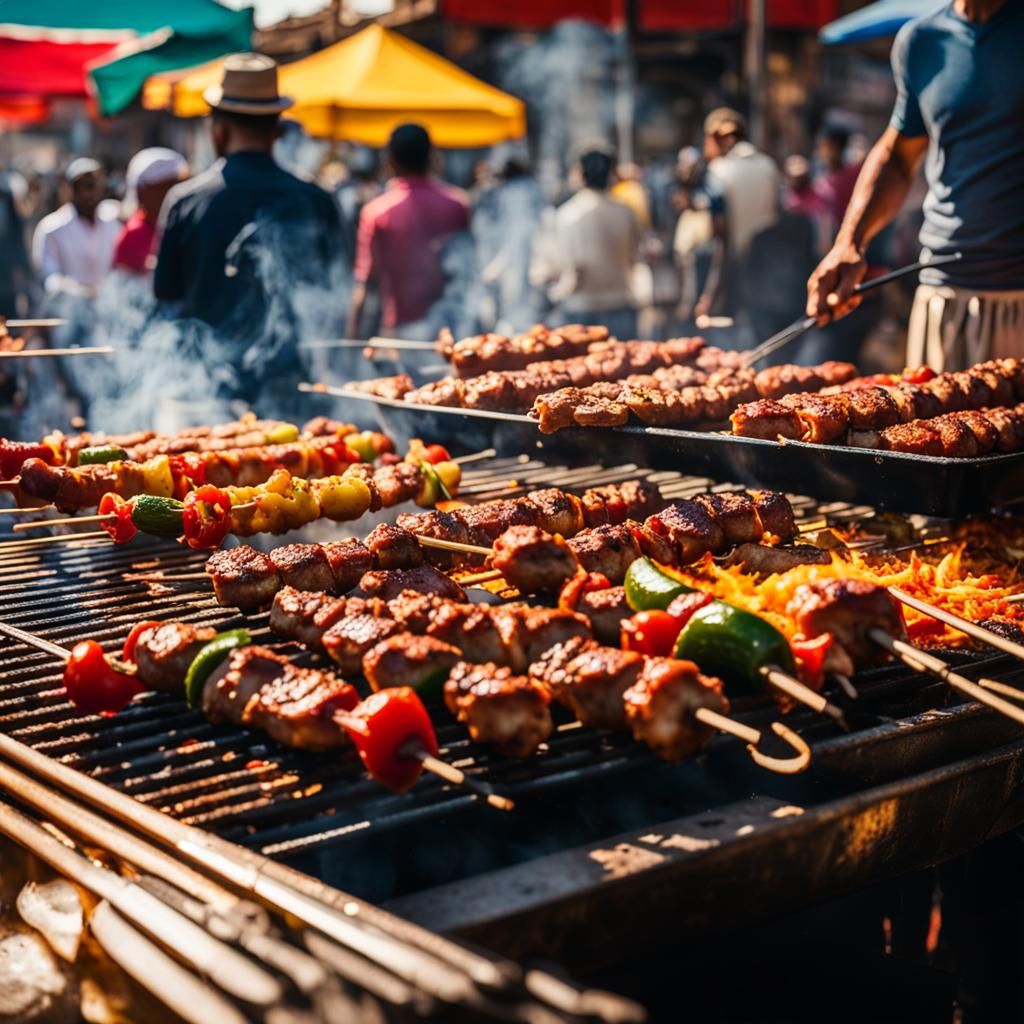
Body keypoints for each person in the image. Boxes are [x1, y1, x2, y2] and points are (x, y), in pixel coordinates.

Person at [806, 0, 1024, 370]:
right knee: (934, 426)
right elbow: (898, 158)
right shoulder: (922, 41)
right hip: (945, 291)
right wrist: (849, 244)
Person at [154, 53, 344, 414]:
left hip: (210, 395)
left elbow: (167, 299)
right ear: (276, 129)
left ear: (218, 130)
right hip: (291, 390)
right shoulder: (316, 200)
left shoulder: (185, 202)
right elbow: (334, 296)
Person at [346, 124, 469, 341]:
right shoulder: (456, 204)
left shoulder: (377, 212)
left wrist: (352, 336)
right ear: (432, 158)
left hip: (401, 333)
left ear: (390, 162)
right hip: (451, 329)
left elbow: (366, 282)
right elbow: (467, 273)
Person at [546, 146, 640, 340]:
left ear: (581, 173)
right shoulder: (625, 212)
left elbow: (565, 267)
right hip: (621, 304)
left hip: (580, 308)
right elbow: (634, 256)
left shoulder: (566, 215)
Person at [697, 108, 780, 325]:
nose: (707, 150)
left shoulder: (719, 171)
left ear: (724, 138)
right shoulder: (769, 166)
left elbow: (720, 237)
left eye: (708, 142)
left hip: (737, 276)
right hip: (774, 274)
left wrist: (709, 294)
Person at [32, 158, 120, 299]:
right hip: (68, 313)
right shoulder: (51, 227)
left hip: (108, 310)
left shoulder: (113, 222)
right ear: (71, 189)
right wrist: (81, 293)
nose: (92, 192)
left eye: (97, 185)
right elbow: (49, 277)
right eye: (86, 186)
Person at [114, 148, 189, 276]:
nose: (171, 195)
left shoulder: (182, 225)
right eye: (163, 188)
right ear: (141, 192)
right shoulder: (135, 233)